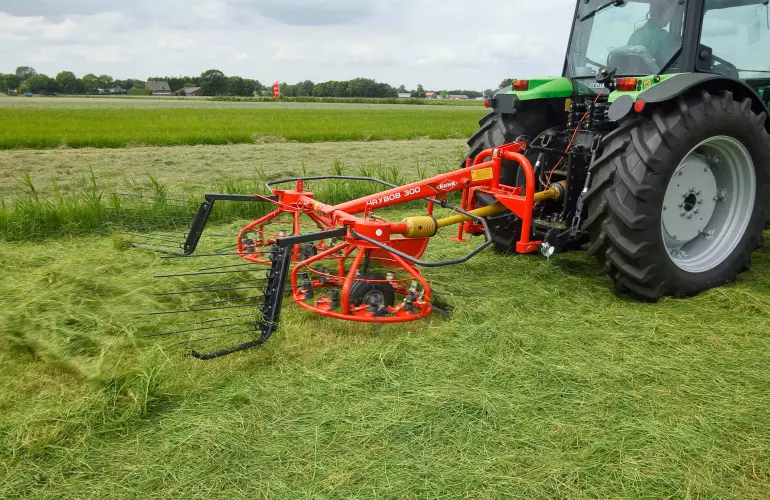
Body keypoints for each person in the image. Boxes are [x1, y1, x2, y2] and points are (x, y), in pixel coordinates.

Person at [628, 0, 680, 65]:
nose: (671, 17)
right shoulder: (663, 36)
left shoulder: (635, 34)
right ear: (661, 12)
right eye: (671, 13)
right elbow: (675, 63)